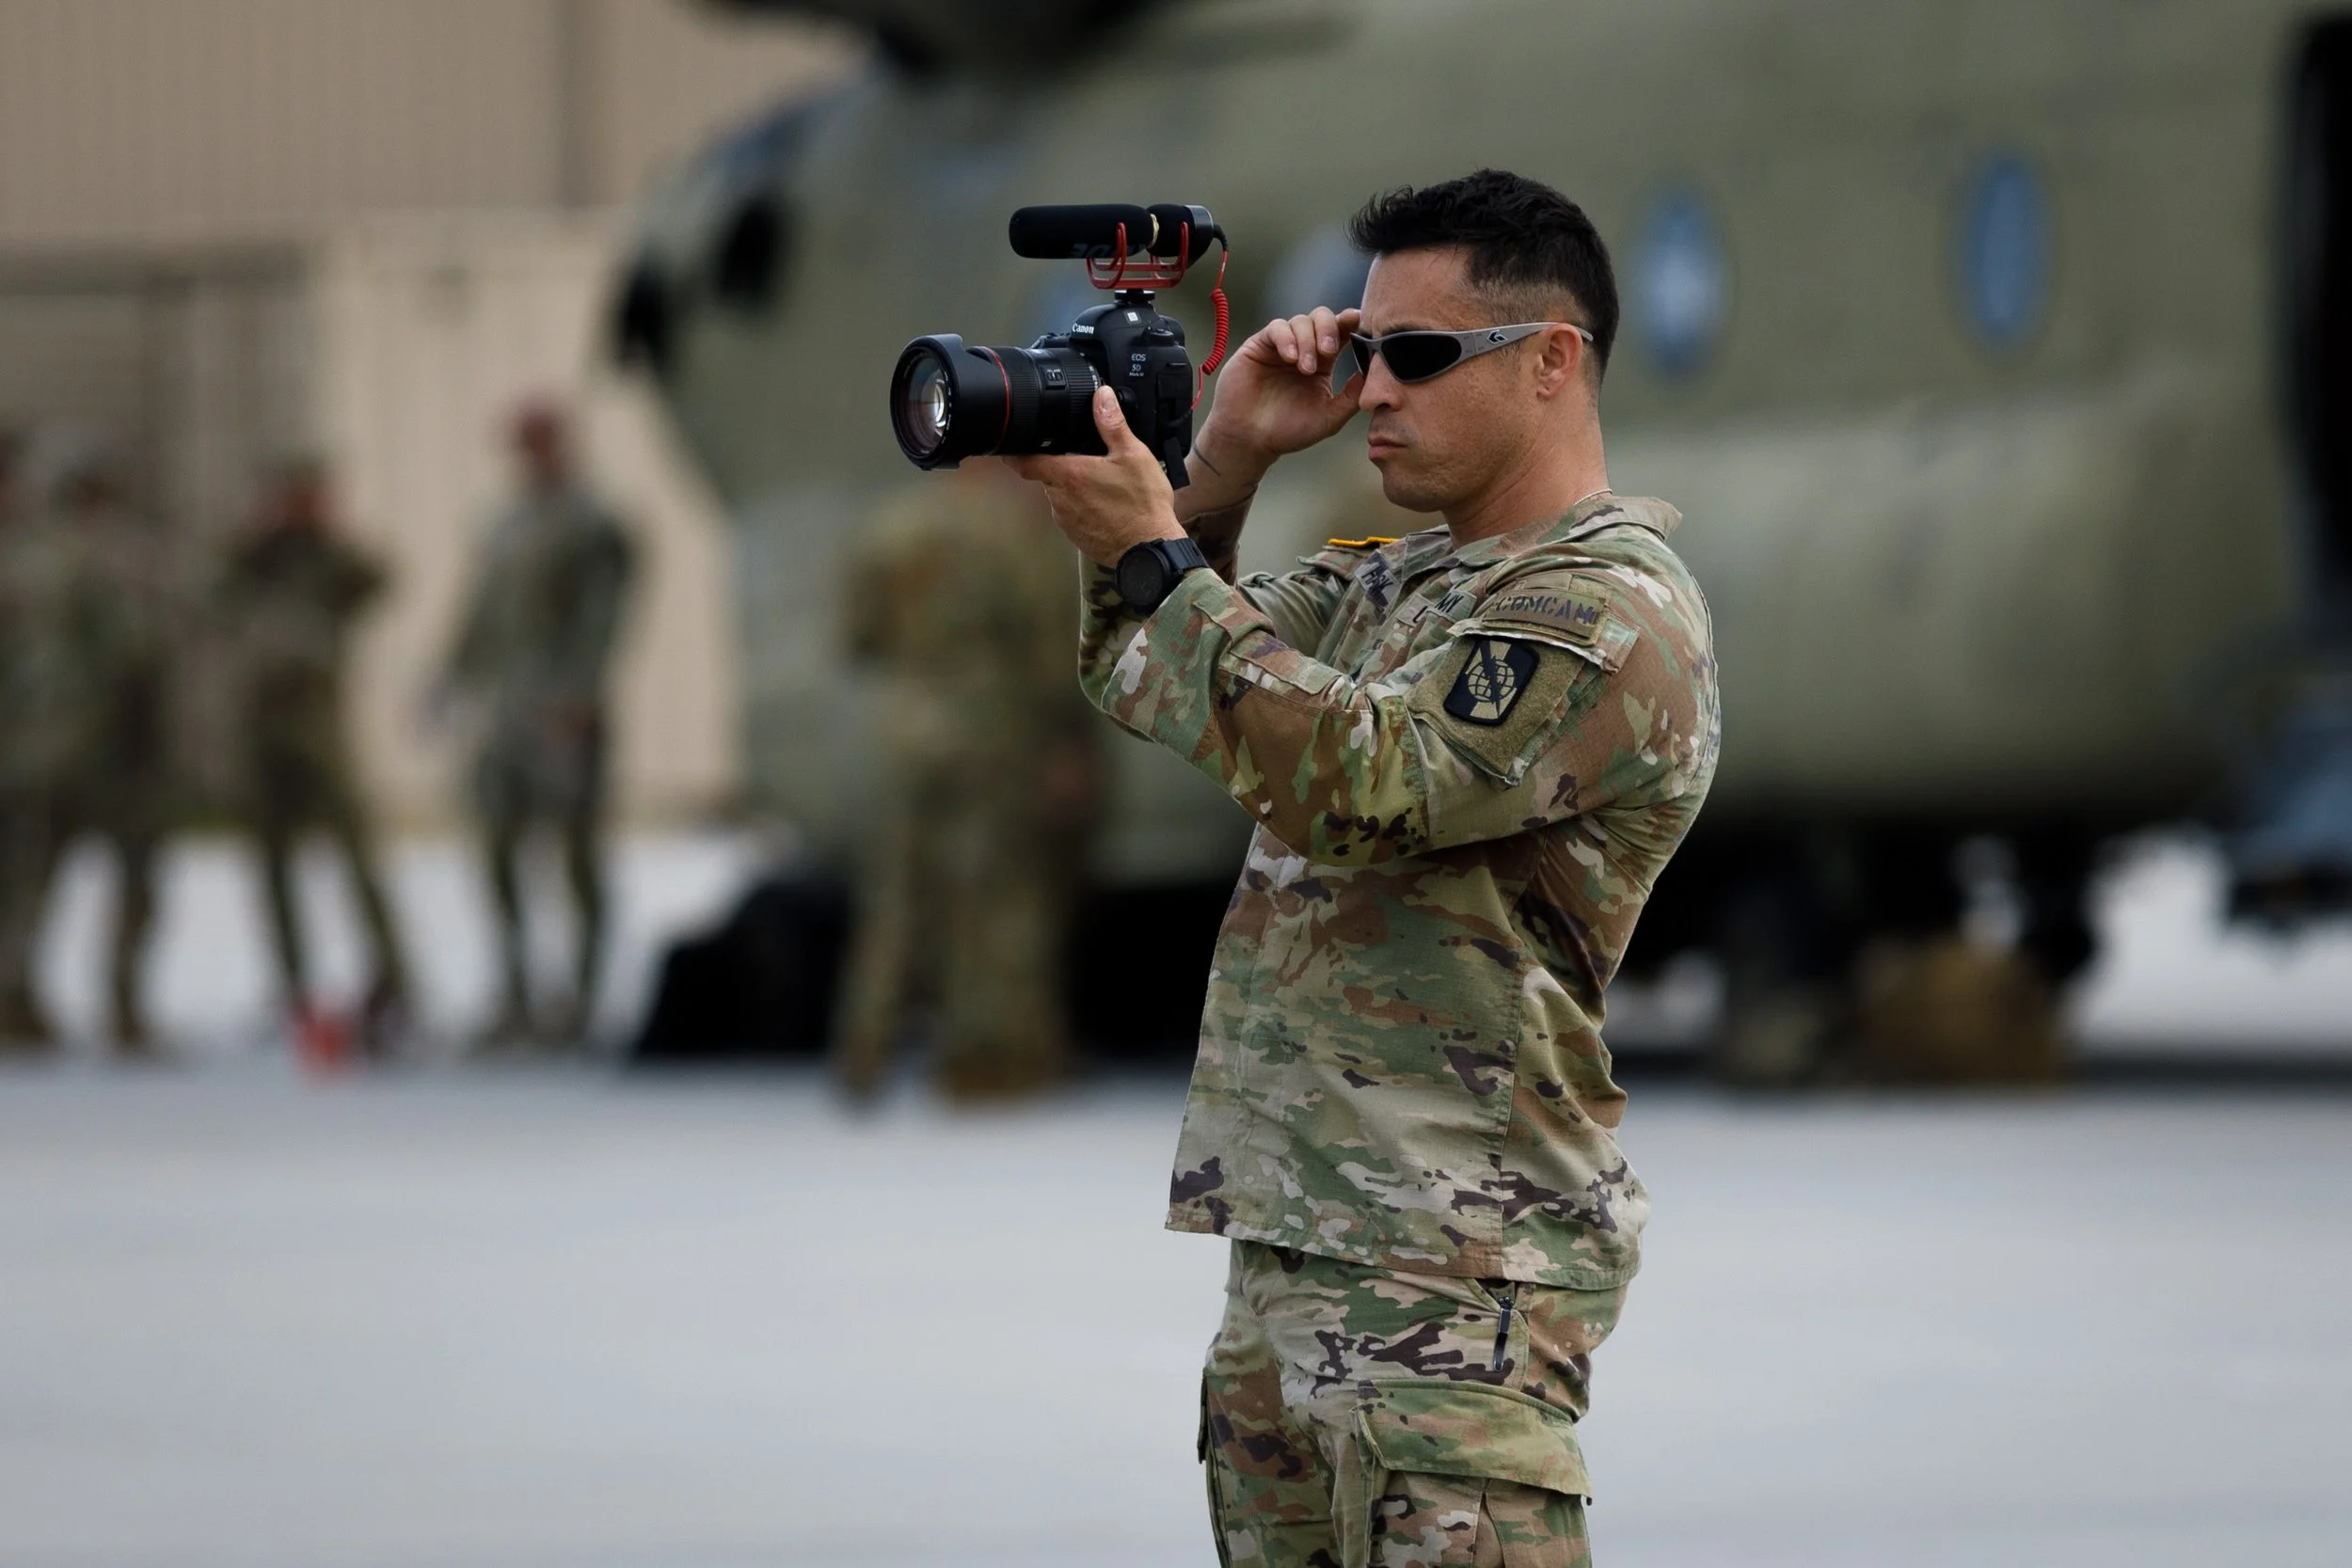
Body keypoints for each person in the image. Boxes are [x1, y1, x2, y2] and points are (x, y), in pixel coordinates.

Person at [1010, 171, 1721, 1568]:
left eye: (1417, 354)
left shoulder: (1602, 607)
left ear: (1552, 362)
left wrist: (1158, 547)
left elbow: (1368, 782)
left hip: (1452, 1283)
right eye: (1361, 349)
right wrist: (1220, 463)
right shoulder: (1407, 583)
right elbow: (1158, 661)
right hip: (1302, 1245)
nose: (1373, 388)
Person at [831, 461, 1101, 1102]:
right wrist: (1066, 740)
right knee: (993, 895)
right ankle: (980, 1060)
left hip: (907, 725)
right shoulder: (1016, 529)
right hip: (992, 728)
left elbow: (857, 636)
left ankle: (864, 1047)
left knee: (895, 892)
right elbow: (1051, 644)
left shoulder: (888, 526)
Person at [437, 403, 635, 1049]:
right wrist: (451, 679)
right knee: (496, 848)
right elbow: (480, 613)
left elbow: (603, 617)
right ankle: (515, 991)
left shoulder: (592, 523)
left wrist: (581, 691)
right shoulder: (505, 523)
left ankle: (581, 996)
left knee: (576, 855)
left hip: (562, 709)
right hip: (507, 709)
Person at [218, 457, 411, 1055]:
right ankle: (291, 986)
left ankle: (393, 980)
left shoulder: (333, 562)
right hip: (262, 726)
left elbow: (380, 580)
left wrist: (326, 533)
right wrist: (259, 537)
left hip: (319, 723)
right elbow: (214, 593)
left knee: (355, 854)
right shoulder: (257, 560)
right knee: (272, 862)